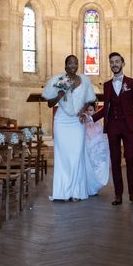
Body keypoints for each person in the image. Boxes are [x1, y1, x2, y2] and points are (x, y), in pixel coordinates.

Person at [42, 55, 96, 201]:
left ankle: (77, 191)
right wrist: (59, 95)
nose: (73, 65)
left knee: (77, 155)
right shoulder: (58, 80)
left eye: (76, 63)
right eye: (70, 63)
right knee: (63, 157)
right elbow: (49, 104)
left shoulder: (84, 80)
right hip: (62, 121)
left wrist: (83, 110)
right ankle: (64, 192)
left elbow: (89, 99)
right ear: (65, 65)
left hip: (77, 122)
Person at [94, 52, 133, 205]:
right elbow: (106, 108)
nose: (114, 64)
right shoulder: (107, 85)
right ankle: (118, 195)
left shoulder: (132, 83)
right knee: (115, 161)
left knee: (130, 158)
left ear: (123, 63)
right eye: (111, 62)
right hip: (113, 127)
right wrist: (92, 118)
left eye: (117, 61)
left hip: (128, 126)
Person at [82, 102, 110, 195]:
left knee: (98, 164)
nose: (89, 113)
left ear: (95, 110)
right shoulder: (84, 120)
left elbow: (99, 133)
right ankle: (90, 185)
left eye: (91, 110)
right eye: (87, 110)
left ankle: (97, 183)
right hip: (88, 145)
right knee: (90, 165)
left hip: (96, 146)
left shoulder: (96, 120)